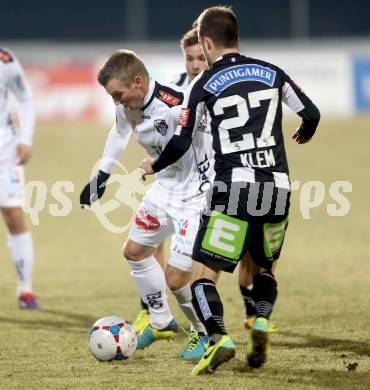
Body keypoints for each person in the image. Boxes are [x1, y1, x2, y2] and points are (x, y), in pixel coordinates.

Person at [139, 5, 320, 375]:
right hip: (277, 187)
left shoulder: (204, 84)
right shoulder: (272, 72)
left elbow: (180, 142)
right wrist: (304, 133)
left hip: (232, 188)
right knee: (264, 268)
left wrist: (153, 165)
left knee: (203, 275)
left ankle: (219, 337)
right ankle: (261, 320)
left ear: (206, 42)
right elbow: (311, 113)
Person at [79, 49, 213, 359]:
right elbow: (119, 130)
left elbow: (182, 143)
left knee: (177, 278)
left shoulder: (175, 105)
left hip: (194, 194)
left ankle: (206, 334)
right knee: (135, 252)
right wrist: (101, 175)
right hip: (165, 188)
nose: (116, 101)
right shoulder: (129, 105)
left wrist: (152, 165)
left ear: (138, 82)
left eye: (118, 94)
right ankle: (161, 321)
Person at [132, 27, 209, 337]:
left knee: (199, 262)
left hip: (202, 189)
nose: (194, 65)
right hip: (168, 186)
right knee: (145, 248)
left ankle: (208, 327)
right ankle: (154, 312)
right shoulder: (173, 91)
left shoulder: (219, 92)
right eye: (189, 58)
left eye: (200, 58)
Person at [0, 47, 39, 309]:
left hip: (5, 150)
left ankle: (25, 289)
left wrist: (25, 139)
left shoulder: (6, 60)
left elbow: (25, 98)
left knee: (13, 215)